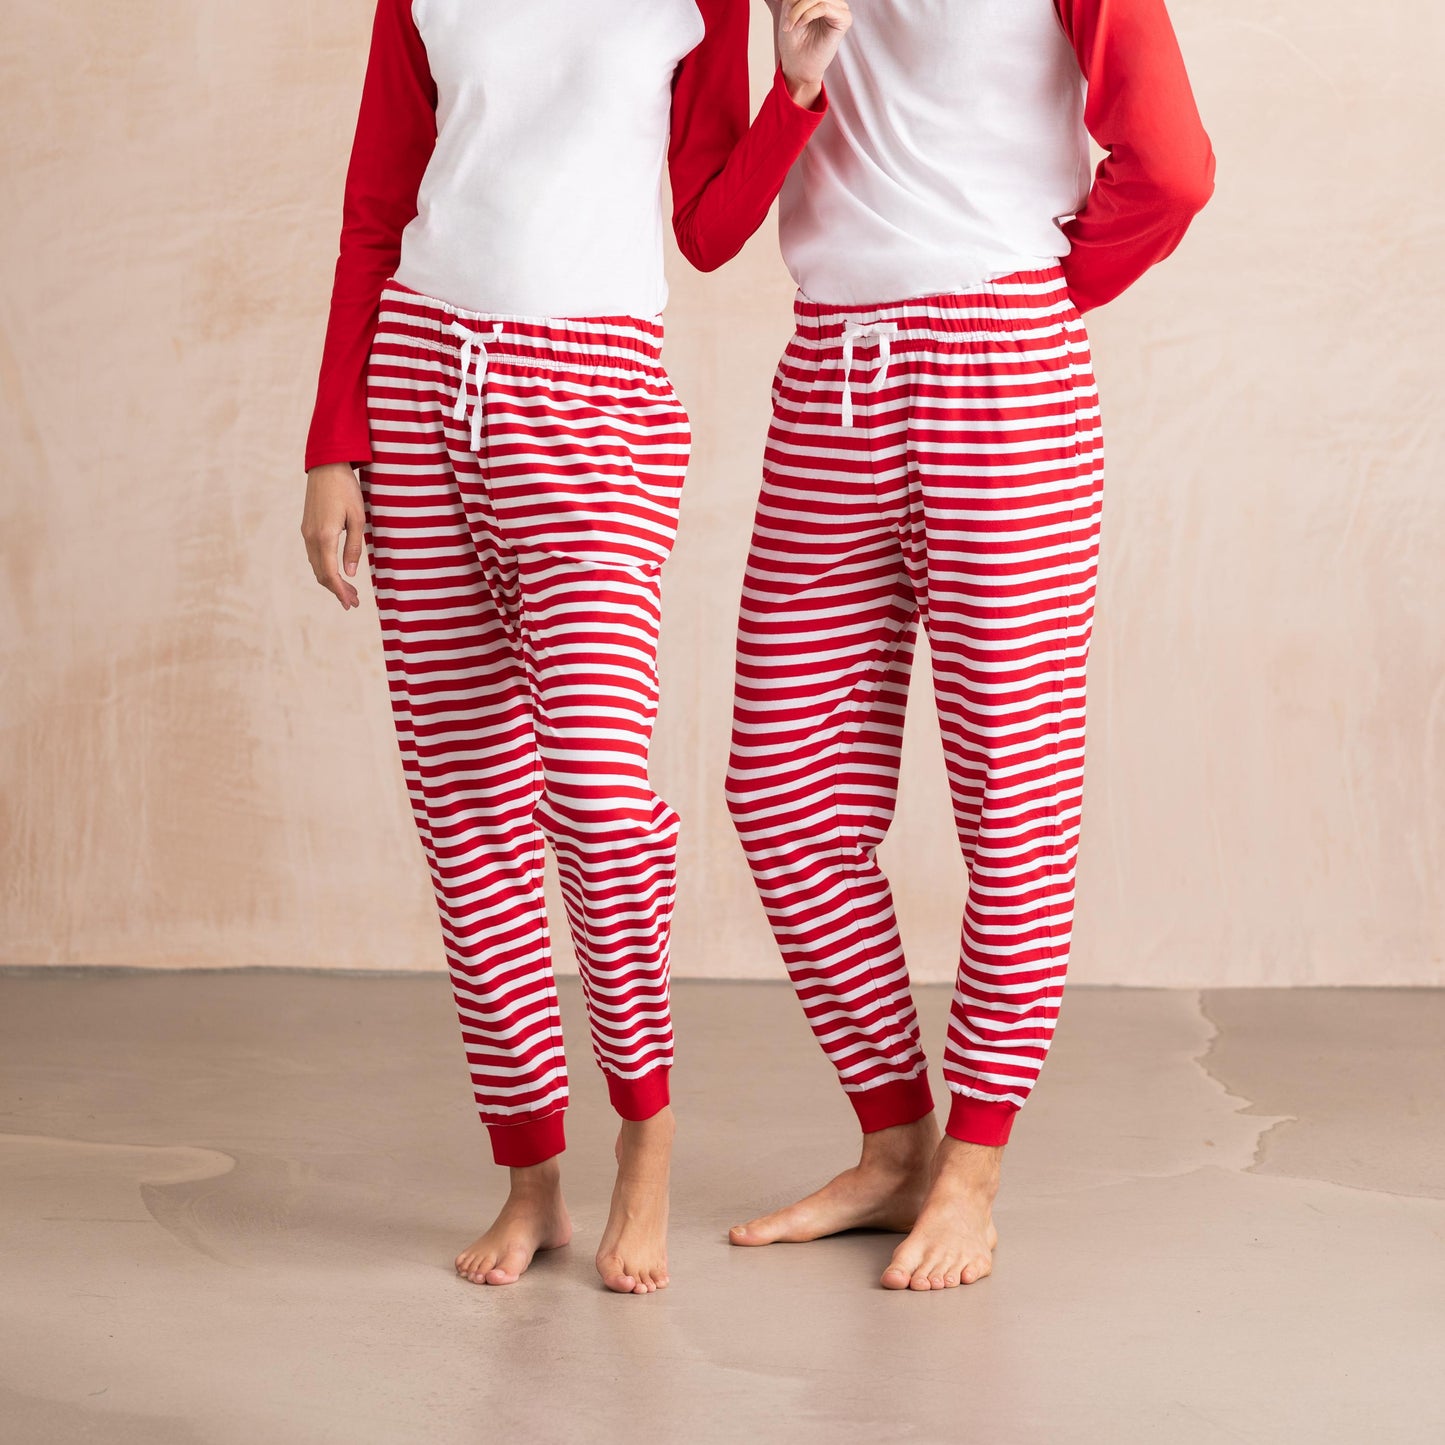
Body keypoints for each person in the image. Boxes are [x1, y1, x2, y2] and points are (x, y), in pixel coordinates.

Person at [300, 0, 851, 1295]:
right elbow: (375, 210)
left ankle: (645, 1138)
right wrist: (336, 442)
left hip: (593, 399)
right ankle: (528, 1174)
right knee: (464, 805)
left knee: (599, 801)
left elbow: (707, 230)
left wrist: (795, 89)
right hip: (421, 371)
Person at [725, 0, 1214, 1290]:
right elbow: (709, 171)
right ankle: (894, 1148)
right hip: (827, 359)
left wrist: (1041, 296)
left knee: (1013, 791)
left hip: (1000, 365)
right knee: (782, 789)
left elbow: (1172, 165)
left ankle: (975, 1172)